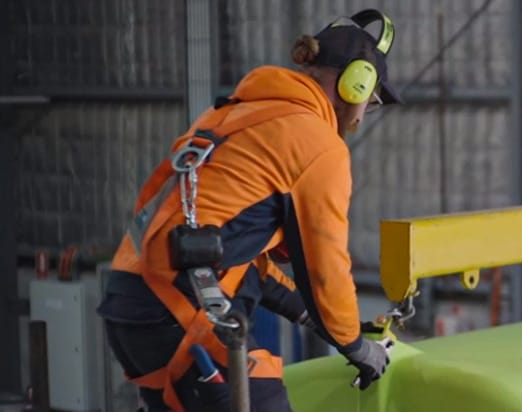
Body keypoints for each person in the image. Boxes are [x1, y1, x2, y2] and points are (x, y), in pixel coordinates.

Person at [96, 9, 401, 411]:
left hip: (130, 301)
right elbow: (325, 268)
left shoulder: (233, 115)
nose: (362, 115)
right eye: (371, 101)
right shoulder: (319, 145)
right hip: (177, 311)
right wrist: (357, 347)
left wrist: (310, 316)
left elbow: (238, 259)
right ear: (356, 84)